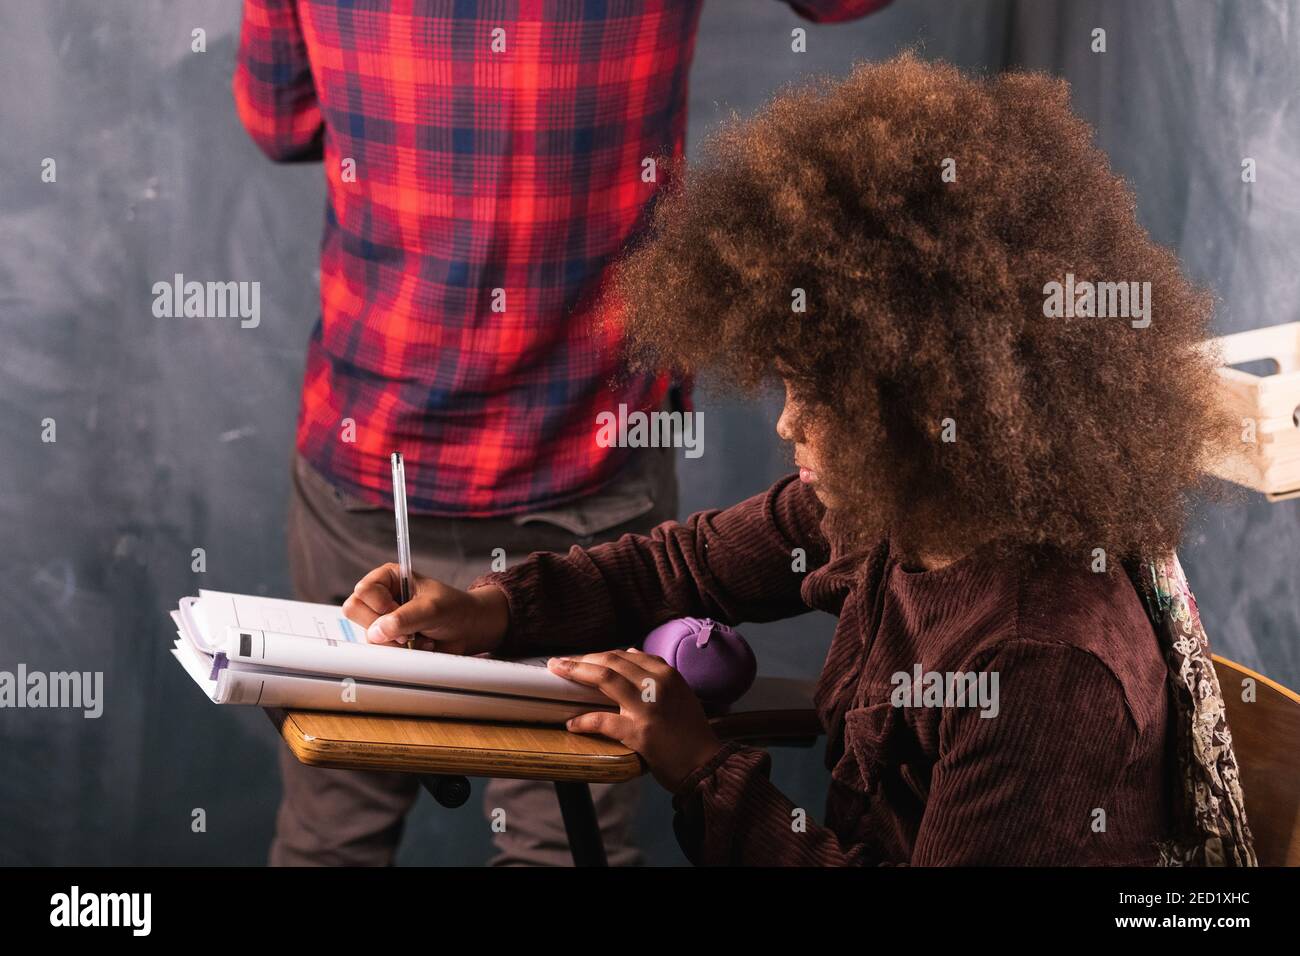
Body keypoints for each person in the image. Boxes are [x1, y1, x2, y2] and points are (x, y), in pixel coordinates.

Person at [341, 55, 1252, 864]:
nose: (788, 427)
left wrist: (704, 771)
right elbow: (682, 565)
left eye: (822, 396)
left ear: (937, 402)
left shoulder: (1043, 665)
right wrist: (491, 610)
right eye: (785, 383)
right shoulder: (895, 509)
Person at [231, 0, 892, 866]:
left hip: (375, 438)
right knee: (562, 834)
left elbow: (280, 119)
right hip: (592, 444)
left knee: (333, 825)